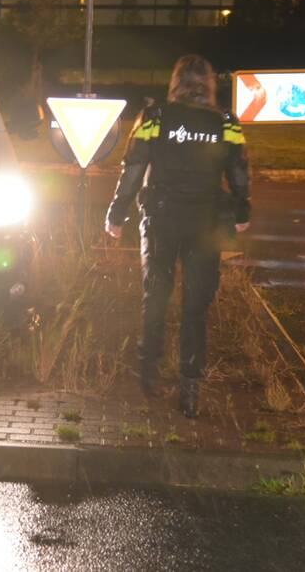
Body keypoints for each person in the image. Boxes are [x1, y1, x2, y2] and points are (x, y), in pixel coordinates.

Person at [105, 55, 251, 418]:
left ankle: (148, 372)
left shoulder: (154, 118)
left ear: (175, 82)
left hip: (161, 219)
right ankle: (190, 390)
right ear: (209, 83)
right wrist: (242, 212)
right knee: (195, 306)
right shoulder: (227, 123)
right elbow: (238, 169)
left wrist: (117, 213)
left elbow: (134, 167)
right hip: (205, 222)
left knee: (156, 293)